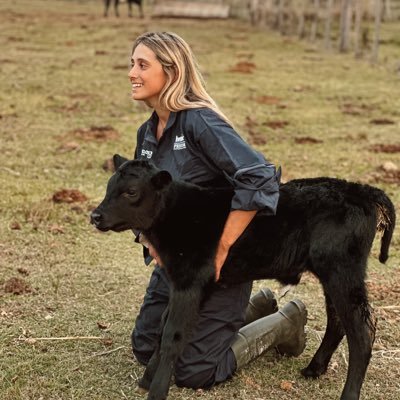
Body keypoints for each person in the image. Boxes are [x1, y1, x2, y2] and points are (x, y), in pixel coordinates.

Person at [128, 31, 307, 390]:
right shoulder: (147, 134)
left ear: (172, 71)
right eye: (132, 63)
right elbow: (142, 200)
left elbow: (260, 177)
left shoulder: (201, 123)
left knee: (195, 371)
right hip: (179, 266)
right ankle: (254, 309)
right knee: (147, 349)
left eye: (142, 65)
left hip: (225, 266)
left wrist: (222, 247)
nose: (132, 72)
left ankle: (285, 322)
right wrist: (149, 240)